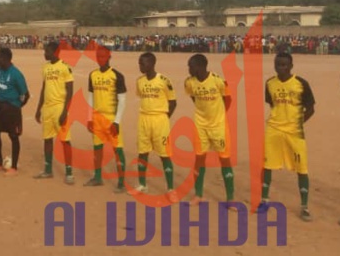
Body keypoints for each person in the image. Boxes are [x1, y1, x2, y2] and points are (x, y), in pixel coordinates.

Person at [258, 52, 315, 222]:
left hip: (294, 132)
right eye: (278, 65)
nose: (281, 68)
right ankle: (264, 200)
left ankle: (304, 206)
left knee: (301, 168)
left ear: (291, 66)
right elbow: (272, 103)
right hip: (274, 129)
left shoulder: (301, 83)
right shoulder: (270, 83)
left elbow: (310, 108)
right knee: (268, 164)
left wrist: (298, 123)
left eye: (284, 65)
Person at [184, 54, 235, 205]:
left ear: (200, 67)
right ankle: (198, 195)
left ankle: (230, 198)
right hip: (200, 125)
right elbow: (194, 97)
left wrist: (219, 115)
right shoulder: (189, 83)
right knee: (199, 159)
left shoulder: (218, 81)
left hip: (218, 126)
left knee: (224, 160)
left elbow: (228, 98)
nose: (189, 69)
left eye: (190, 66)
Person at [135, 52, 177, 202]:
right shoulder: (139, 81)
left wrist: (164, 118)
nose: (140, 66)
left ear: (152, 64)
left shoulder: (164, 81)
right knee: (142, 152)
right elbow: (142, 97)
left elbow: (173, 102)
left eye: (143, 63)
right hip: (144, 119)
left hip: (160, 120)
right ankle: (142, 184)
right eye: (139, 63)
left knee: (164, 155)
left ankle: (171, 189)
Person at [85, 46, 127, 192]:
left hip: (111, 117)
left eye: (103, 57)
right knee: (97, 148)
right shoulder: (93, 75)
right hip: (97, 117)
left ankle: (121, 182)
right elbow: (91, 97)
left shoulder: (117, 76)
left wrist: (117, 121)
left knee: (117, 150)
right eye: (98, 56)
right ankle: (97, 177)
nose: (100, 59)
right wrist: (89, 118)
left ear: (109, 57)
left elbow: (122, 100)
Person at [34, 42, 75, 184]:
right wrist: (39, 108)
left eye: (47, 51)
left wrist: (65, 111)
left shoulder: (64, 67)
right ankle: (48, 169)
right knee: (47, 139)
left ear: (56, 52)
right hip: (47, 108)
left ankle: (69, 172)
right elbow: (43, 88)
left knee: (65, 140)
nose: (44, 53)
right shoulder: (45, 67)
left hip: (59, 108)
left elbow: (70, 91)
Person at [0, 47, 29, 175]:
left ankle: (14, 167)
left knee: (13, 136)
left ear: (6, 59)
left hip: (12, 109)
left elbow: (25, 94)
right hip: (0, 107)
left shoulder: (16, 74)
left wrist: (17, 106)